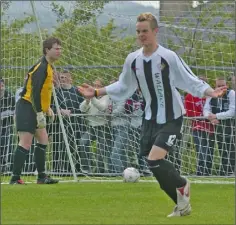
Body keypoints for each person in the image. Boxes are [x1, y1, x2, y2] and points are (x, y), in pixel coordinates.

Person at [78, 13, 227, 217]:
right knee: (151, 163)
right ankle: (181, 204)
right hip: (150, 118)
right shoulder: (133, 59)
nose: (141, 35)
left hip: (172, 116)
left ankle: (183, 184)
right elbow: (123, 86)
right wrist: (96, 92)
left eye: (145, 31)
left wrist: (211, 92)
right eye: (138, 31)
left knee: (156, 159)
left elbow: (189, 79)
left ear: (155, 31)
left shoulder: (168, 56)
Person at [9, 37, 62, 185]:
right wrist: (39, 113)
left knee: (43, 140)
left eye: (60, 48)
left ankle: (41, 177)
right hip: (27, 107)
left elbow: (44, 92)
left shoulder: (49, 66)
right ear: (47, 50)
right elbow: (34, 92)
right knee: (25, 142)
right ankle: (15, 178)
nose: (59, 51)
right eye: (56, 48)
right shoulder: (41, 66)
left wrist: (47, 108)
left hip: (35, 108)